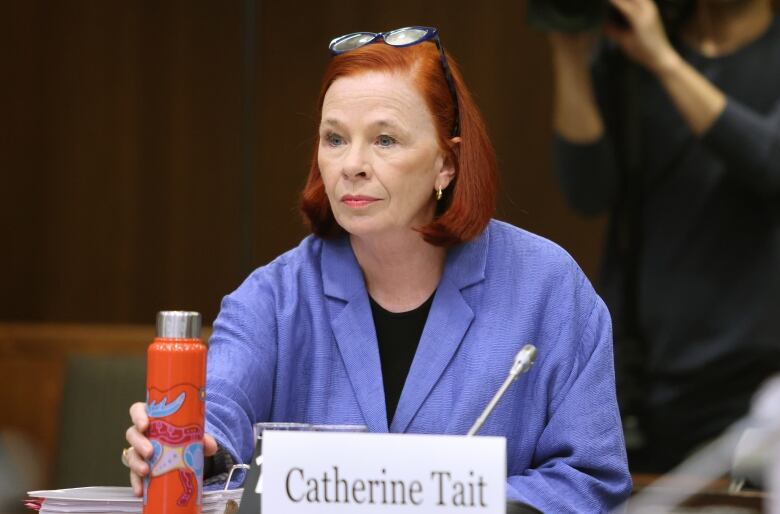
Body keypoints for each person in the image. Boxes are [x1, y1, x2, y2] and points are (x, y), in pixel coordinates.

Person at [124, 26, 631, 511]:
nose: (352, 165)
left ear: (446, 164)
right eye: (335, 138)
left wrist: (448, 504)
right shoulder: (274, 297)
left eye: (385, 140)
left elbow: (591, 481)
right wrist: (188, 448)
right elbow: (220, 411)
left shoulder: (547, 287)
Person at [550, 0, 780, 472]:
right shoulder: (630, 54)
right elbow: (588, 193)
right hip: (642, 372)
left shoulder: (656, 54)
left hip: (755, 375)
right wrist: (570, 54)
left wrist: (664, 62)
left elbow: (770, 163)